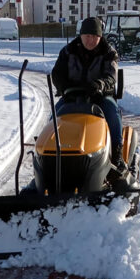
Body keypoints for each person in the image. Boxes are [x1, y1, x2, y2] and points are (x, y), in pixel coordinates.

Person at [51, 17, 127, 173]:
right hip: (72, 95)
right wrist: (64, 86)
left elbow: (111, 76)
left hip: (100, 96)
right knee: (53, 118)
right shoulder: (67, 51)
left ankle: (116, 154)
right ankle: (52, 156)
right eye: (87, 36)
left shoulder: (109, 53)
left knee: (112, 112)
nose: (91, 40)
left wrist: (100, 84)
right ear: (81, 35)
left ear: (100, 37)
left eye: (95, 37)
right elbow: (57, 73)